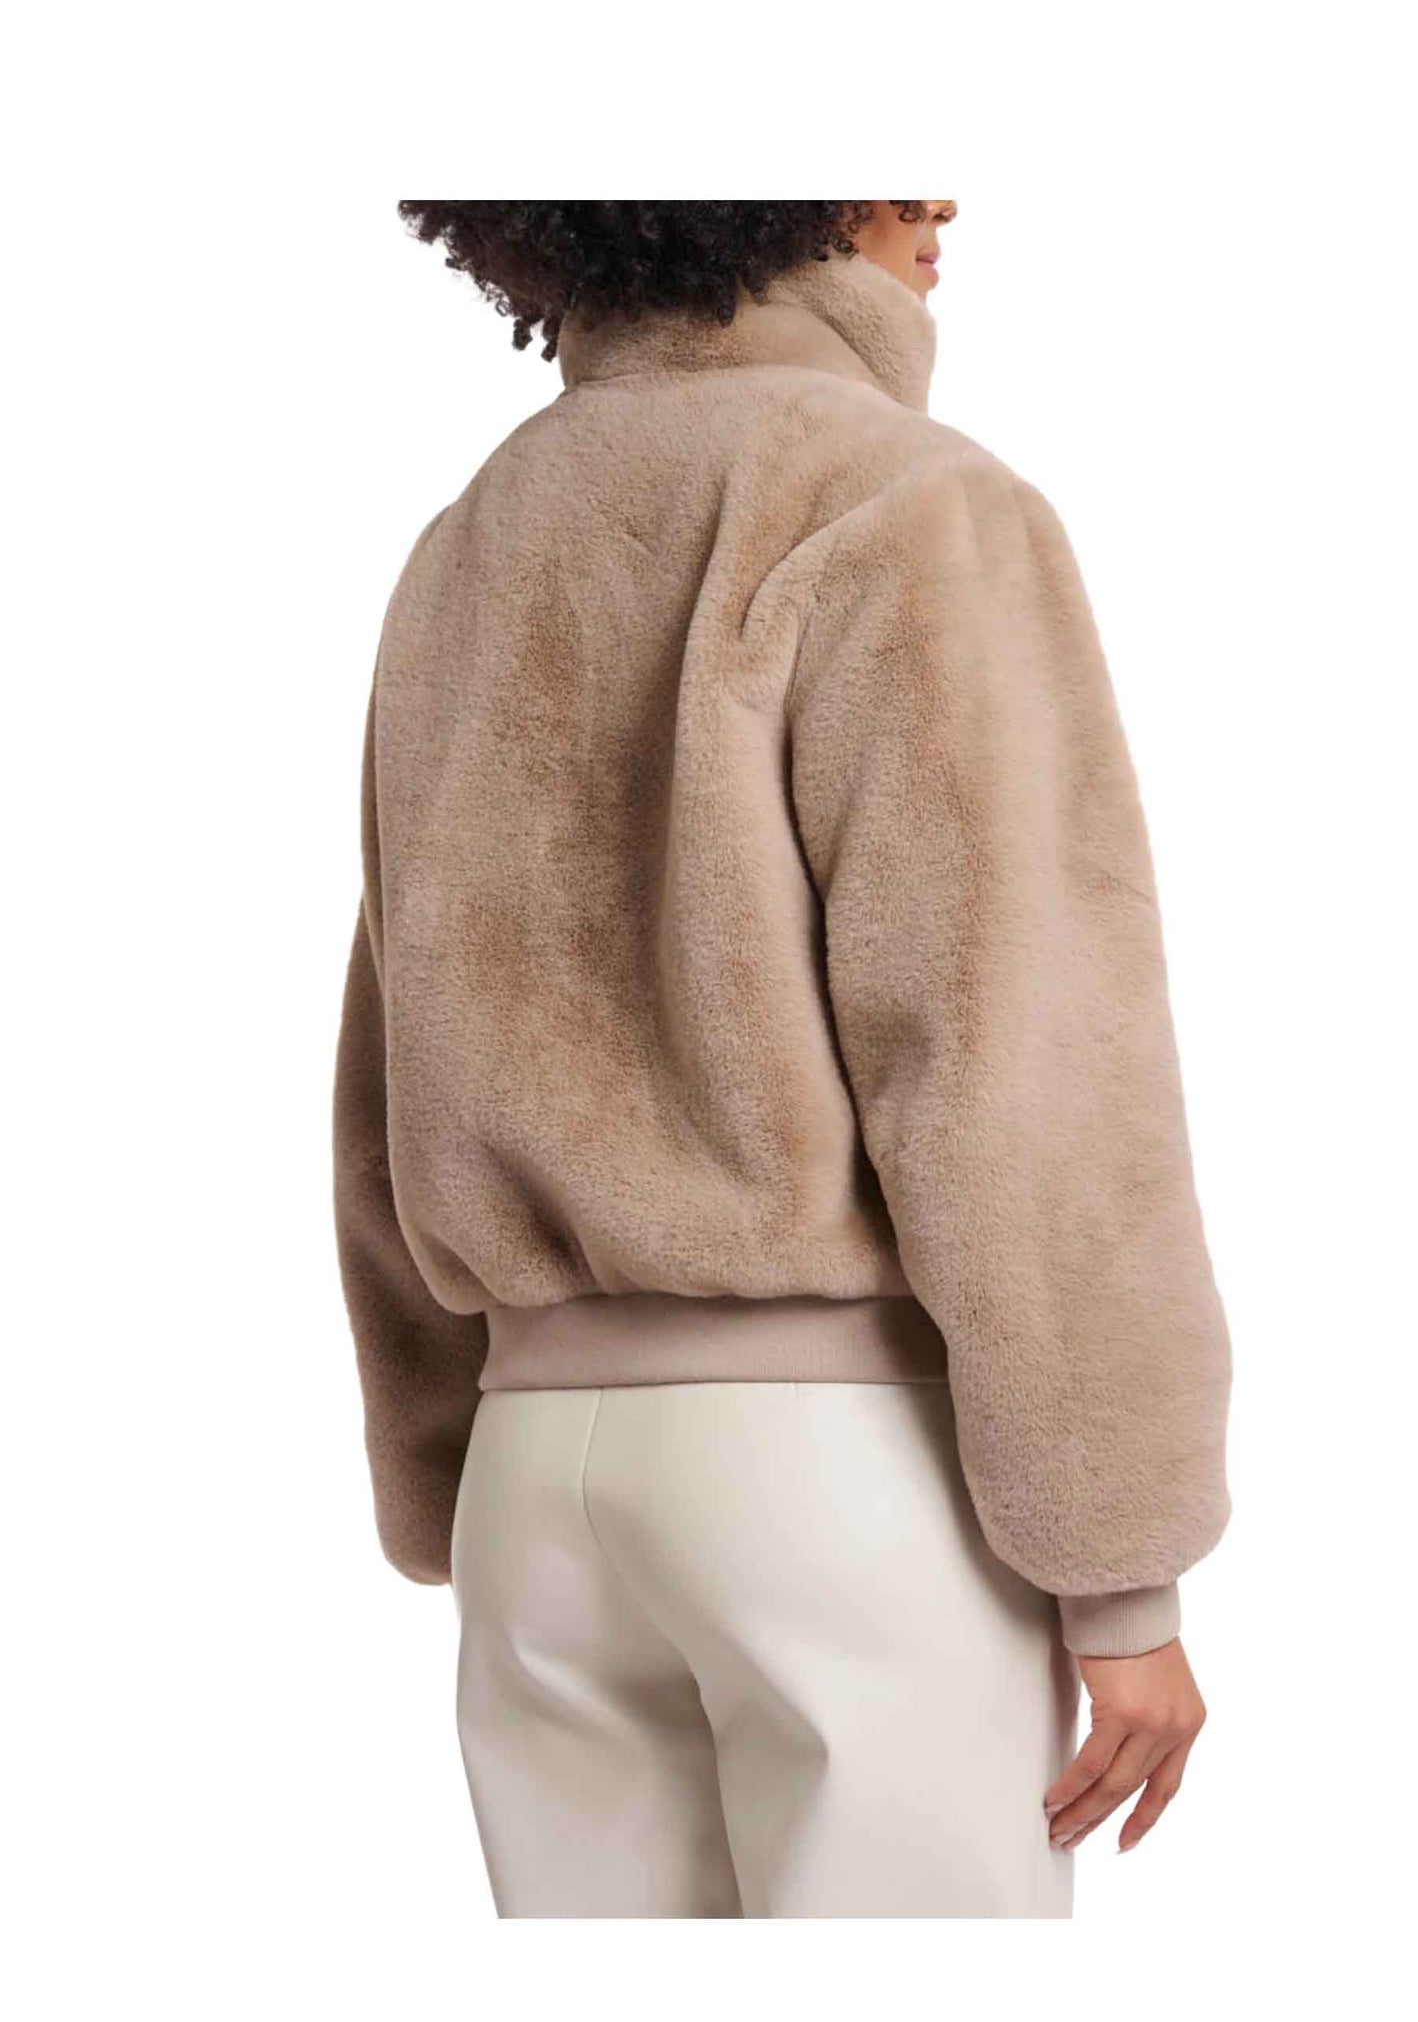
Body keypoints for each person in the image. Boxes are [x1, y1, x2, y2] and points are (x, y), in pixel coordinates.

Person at [333, 200, 1231, 1918]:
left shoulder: (473, 535)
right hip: (836, 1476)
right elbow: (1019, 1060)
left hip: (534, 1486)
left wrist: (440, 1453)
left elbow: (394, 1042)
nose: (937, 199)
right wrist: (1121, 1571)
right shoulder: (900, 498)